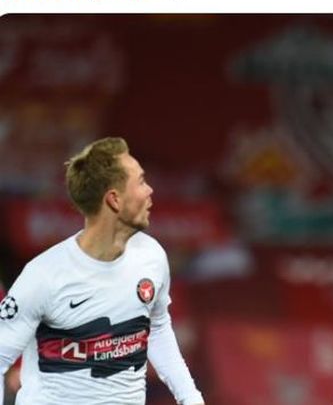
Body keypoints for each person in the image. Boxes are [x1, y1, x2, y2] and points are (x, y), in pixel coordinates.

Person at [0, 137, 205, 405]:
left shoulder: (151, 257)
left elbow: (156, 328)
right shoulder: (43, 275)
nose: (150, 190)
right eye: (141, 182)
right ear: (114, 200)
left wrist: (191, 398)